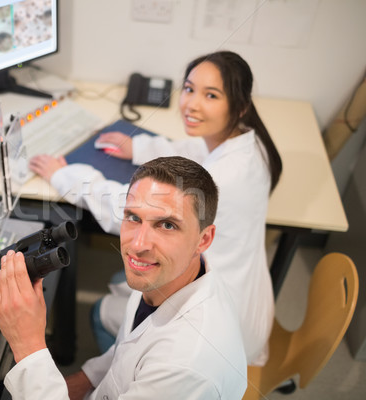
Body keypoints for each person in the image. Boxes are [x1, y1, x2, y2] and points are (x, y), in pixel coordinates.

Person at [29, 50, 282, 365]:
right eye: (189, 89)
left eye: (211, 95)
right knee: (127, 275)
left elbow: (125, 208)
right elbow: (194, 153)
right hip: (241, 298)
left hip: (218, 332)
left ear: (240, 106)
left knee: (102, 310)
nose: (191, 104)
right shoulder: (249, 143)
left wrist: (63, 174)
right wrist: (138, 147)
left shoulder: (224, 177)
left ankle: (127, 371)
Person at [0, 156, 247, 399]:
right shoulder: (168, 274)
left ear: (204, 239)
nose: (138, 245)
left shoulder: (184, 367)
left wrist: (28, 344)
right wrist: (84, 380)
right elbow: (129, 347)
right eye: (133, 218)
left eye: (167, 225)